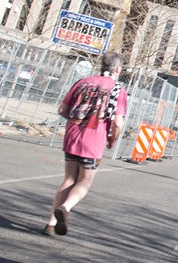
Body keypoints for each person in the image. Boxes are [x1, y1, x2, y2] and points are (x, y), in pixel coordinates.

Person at [42, 51, 127, 237]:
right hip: (94, 140)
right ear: (117, 69)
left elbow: (62, 109)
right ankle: (65, 208)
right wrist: (112, 140)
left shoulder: (83, 82)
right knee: (84, 181)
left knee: (69, 179)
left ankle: (50, 223)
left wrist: (76, 121)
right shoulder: (118, 89)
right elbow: (118, 123)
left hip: (72, 136)